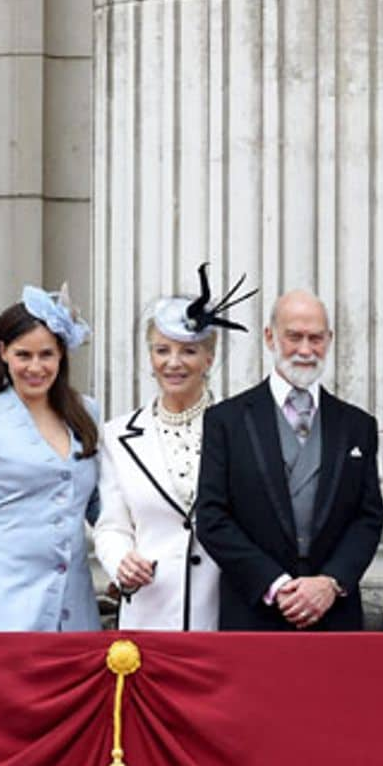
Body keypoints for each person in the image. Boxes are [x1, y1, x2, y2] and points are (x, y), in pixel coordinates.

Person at [196, 290, 383, 631]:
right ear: (270, 337)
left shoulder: (357, 425)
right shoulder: (226, 420)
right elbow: (211, 517)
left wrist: (330, 582)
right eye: (294, 336)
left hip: (334, 615)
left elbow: (368, 518)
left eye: (316, 338)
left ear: (329, 340)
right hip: (253, 613)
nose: (305, 350)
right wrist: (276, 584)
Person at [95, 267, 253, 631]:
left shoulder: (241, 430)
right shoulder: (118, 436)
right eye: (162, 350)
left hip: (224, 614)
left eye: (189, 351)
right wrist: (121, 562)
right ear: (150, 357)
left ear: (209, 359)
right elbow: (110, 525)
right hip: (150, 611)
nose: (174, 362)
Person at [0, 286, 102, 632]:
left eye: (46, 355)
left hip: (74, 608)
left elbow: (100, 506)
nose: (35, 367)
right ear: (3, 353)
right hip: (4, 606)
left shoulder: (88, 413)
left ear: (61, 354)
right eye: (23, 355)